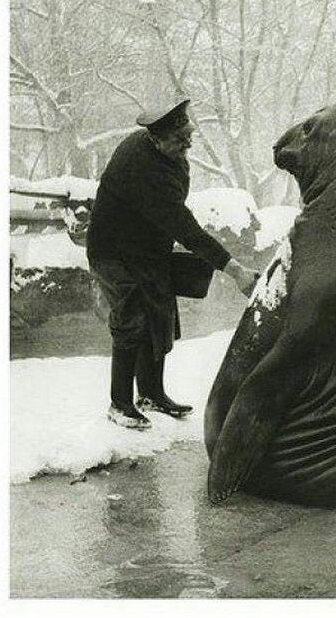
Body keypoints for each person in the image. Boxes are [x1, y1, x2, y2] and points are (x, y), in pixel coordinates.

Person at [87, 99, 260, 430]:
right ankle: (120, 403)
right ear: (156, 138)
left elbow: (171, 211)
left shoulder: (166, 153)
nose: (188, 145)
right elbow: (184, 226)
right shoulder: (142, 168)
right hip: (113, 253)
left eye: (188, 135)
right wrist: (234, 269)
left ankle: (151, 394)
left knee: (160, 312)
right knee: (132, 317)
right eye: (179, 140)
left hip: (147, 250)